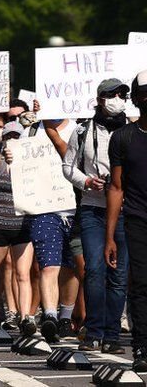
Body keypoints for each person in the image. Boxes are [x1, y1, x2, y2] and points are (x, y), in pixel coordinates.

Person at [60, 78, 130, 353]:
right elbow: (67, 167)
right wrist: (86, 182)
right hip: (92, 209)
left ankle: (112, 336)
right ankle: (94, 331)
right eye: (112, 94)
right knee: (94, 270)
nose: (118, 98)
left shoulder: (131, 131)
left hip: (124, 211)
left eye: (122, 94)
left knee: (119, 274)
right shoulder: (82, 131)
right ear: (100, 98)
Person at [0, 120, 36, 335]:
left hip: (23, 226)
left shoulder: (31, 166)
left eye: (17, 137)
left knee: (22, 273)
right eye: (8, 137)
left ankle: (26, 317)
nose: (13, 142)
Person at [106, 70, 147, 371]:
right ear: (135, 98)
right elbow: (117, 187)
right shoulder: (122, 138)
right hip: (138, 219)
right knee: (141, 285)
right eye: (144, 92)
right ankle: (142, 348)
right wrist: (110, 236)